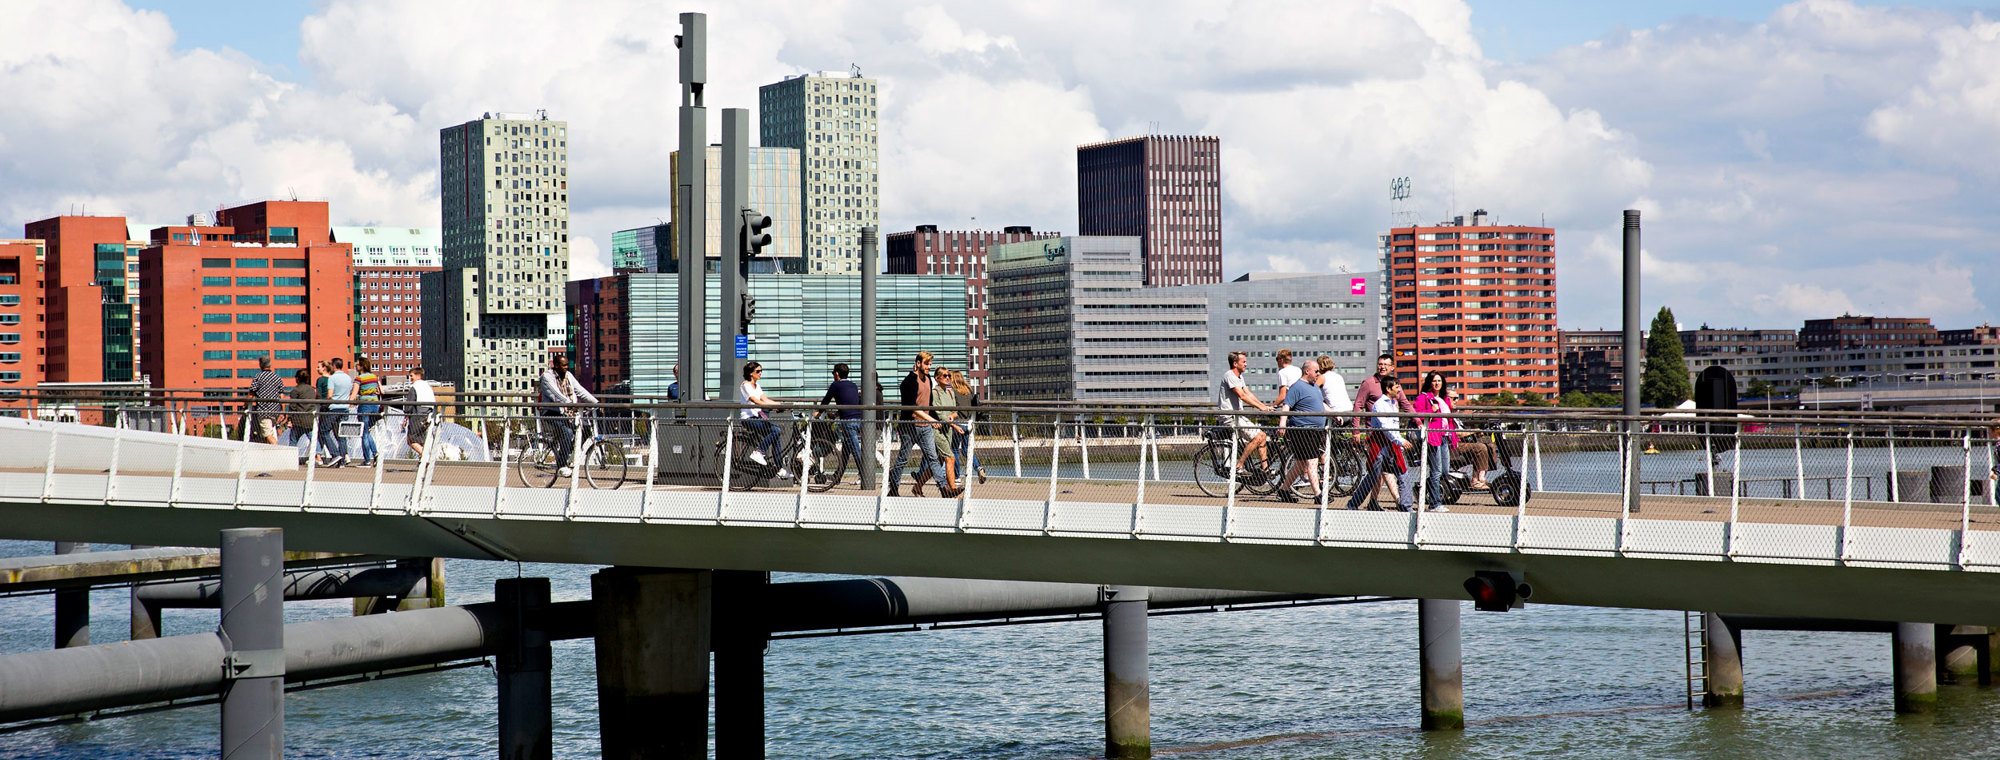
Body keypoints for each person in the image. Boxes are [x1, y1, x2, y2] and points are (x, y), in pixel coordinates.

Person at [889, 351, 954, 498]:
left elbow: (928, 404)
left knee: (933, 458)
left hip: (925, 428)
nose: (929, 367)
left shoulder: (929, 380)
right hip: (910, 427)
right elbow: (913, 407)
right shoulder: (909, 382)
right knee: (903, 459)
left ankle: (944, 488)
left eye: (930, 364)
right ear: (918, 363)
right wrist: (931, 420)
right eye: (926, 363)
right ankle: (893, 488)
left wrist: (933, 419)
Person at [1348, 375, 1415, 510]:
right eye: (1396, 387)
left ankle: (1406, 506)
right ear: (1388, 388)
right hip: (1379, 445)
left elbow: (1394, 425)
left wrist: (1398, 441)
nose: (1399, 390)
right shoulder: (1380, 404)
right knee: (1373, 476)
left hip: (1392, 445)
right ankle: (1353, 504)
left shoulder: (1393, 404)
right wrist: (1400, 440)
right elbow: (1385, 426)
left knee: (1403, 473)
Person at [1275, 358, 1329, 503]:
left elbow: (1321, 404)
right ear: (1307, 371)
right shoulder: (1297, 387)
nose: (1318, 374)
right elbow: (1286, 405)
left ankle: (1283, 491)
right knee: (1312, 461)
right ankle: (1319, 495)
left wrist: (1336, 414)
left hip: (1315, 430)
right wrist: (1282, 424)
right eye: (1316, 371)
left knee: (1300, 463)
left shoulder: (1314, 387)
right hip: (1302, 430)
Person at [538, 355, 598, 478]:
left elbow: (580, 390)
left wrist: (596, 402)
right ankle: (561, 466)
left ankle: (570, 456)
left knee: (585, 429)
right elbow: (556, 395)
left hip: (567, 412)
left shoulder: (568, 376)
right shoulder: (546, 377)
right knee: (567, 432)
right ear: (555, 365)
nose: (566, 367)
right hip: (551, 413)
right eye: (563, 365)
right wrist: (570, 404)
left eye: (567, 365)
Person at [1217, 351, 1273, 476]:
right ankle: (1239, 465)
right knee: (1258, 437)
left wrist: (1264, 406)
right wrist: (1260, 407)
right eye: (1244, 362)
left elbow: (1248, 393)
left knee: (1262, 436)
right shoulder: (1229, 375)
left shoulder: (1239, 377)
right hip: (1230, 417)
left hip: (1238, 416)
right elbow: (1241, 395)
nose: (1246, 364)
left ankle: (1265, 470)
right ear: (1235, 363)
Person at [1412, 371, 1459, 510]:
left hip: (1444, 436)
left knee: (1444, 470)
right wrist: (1431, 411)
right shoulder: (1424, 397)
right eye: (1434, 381)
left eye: (1439, 381)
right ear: (1429, 383)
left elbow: (1448, 418)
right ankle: (1435, 503)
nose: (1437, 383)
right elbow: (1415, 415)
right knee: (1436, 471)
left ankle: (1424, 488)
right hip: (1433, 437)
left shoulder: (1444, 399)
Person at [738, 361, 790, 479]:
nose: (760, 373)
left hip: (758, 417)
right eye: (758, 371)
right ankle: (759, 452)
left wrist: (780, 404)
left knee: (776, 434)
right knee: (776, 430)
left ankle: (779, 468)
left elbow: (764, 399)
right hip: (749, 419)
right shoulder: (745, 385)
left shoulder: (757, 386)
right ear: (751, 373)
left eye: (761, 371)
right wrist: (772, 406)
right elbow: (755, 400)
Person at [817, 363, 864, 484]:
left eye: (833, 373)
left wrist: (818, 412)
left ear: (837, 374)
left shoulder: (836, 385)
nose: (833, 375)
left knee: (855, 450)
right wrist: (836, 415)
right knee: (845, 452)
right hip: (858, 419)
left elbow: (826, 400)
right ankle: (838, 476)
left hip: (847, 422)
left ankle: (866, 477)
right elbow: (850, 402)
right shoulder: (853, 385)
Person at [1446, 389, 1497, 490]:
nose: (1457, 401)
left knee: (1490, 446)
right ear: (1447, 399)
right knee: (1480, 447)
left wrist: (1476, 433)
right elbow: (1456, 433)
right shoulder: (1445, 413)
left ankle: (1481, 477)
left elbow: (1463, 432)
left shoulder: (1455, 414)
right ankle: (1475, 480)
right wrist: (1473, 431)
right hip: (1453, 445)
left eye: (1458, 398)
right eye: (1454, 398)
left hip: (1463, 442)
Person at [949, 369, 987, 484]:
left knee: (954, 450)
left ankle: (956, 477)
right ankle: (978, 467)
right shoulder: (969, 391)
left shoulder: (953, 392)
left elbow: (952, 408)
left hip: (957, 424)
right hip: (969, 423)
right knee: (967, 450)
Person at [320, 357, 355, 467]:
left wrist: (326, 404)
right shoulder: (348, 378)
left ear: (334, 366)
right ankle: (343, 460)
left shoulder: (332, 378)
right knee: (342, 434)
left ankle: (335, 454)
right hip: (345, 408)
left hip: (334, 407)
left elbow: (330, 395)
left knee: (324, 431)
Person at [931, 366, 960, 489]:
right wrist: (954, 424)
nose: (948, 378)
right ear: (937, 378)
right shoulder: (935, 392)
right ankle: (952, 489)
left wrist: (953, 416)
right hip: (938, 430)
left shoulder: (950, 392)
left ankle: (918, 486)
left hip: (948, 430)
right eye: (944, 376)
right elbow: (940, 414)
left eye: (949, 375)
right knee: (950, 458)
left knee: (941, 460)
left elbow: (955, 411)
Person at [247, 356, 284, 445]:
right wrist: (282, 411)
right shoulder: (277, 377)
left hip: (264, 411)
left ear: (260, 365)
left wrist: (245, 404)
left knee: (268, 435)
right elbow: (282, 395)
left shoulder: (258, 377)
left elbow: (251, 394)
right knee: (264, 436)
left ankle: (280, 453)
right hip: (275, 411)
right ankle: (267, 456)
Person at [353, 356, 382, 467]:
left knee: (364, 433)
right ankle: (375, 454)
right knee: (367, 431)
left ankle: (367, 460)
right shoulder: (374, 377)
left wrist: (350, 402)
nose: (356, 365)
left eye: (357, 364)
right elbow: (379, 390)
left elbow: (354, 395)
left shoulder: (359, 379)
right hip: (375, 405)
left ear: (361, 366)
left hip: (364, 406)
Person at [287, 368, 318, 465]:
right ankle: (318, 455)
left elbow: (292, 406)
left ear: (297, 379)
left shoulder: (295, 391)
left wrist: (290, 419)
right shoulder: (312, 390)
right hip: (309, 419)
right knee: (313, 439)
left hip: (298, 420)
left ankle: (291, 459)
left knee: (293, 440)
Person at [406, 366, 435, 457]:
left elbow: (409, 405)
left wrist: (406, 416)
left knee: (411, 440)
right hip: (428, 415)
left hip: (417, 415)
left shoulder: (414, 387)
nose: (410, 378)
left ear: (418, 376)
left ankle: (425, 456)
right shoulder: (427, 386)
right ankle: (422, 463)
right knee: (422, 440)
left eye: (411, 376)